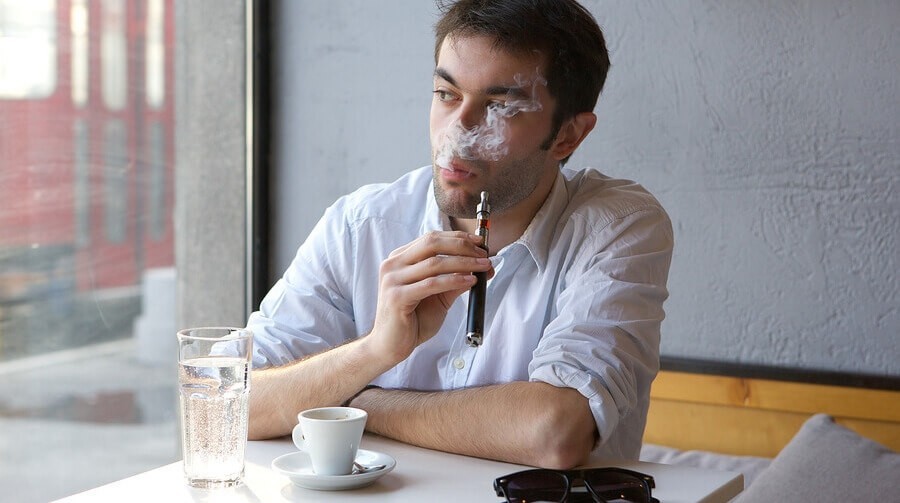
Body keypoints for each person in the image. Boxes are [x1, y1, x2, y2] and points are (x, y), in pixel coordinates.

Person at [247, 0, 673, 470]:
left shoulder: (615, 226)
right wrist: (374, 352)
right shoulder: (360, 226)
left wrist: (356, 403)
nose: (457, 133)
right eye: (446, 94)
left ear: (568, 136)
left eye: (500, 107)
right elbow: (236, 403)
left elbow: (555, 432)